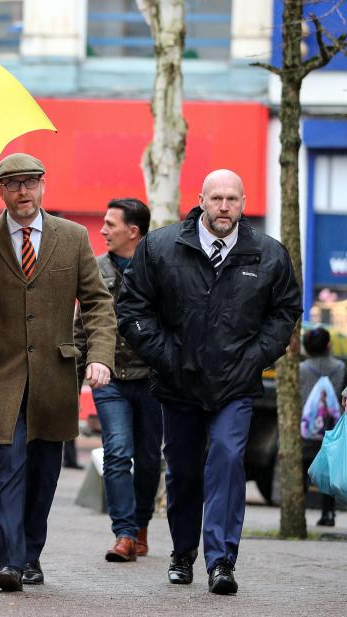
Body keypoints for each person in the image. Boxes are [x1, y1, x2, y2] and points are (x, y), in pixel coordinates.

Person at [117, 169, 301, 595]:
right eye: (216, 198)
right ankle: (183, 553)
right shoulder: (161, 248)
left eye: (232, 199)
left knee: (226, 460)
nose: (223, 207)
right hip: (177, 383)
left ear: (243, 202)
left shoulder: (269, 255)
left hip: (235, 385)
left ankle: (221, 561)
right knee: (182, 472)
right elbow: (132, 308)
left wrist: (254, 358)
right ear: (200, 199)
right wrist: (167, 357)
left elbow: (285, 312)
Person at [0, 153, 116, 592]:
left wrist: (100, 355)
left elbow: (97, 303)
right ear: (0, 190)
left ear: (44, 186)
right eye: (14, 184)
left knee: (43, 473)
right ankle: (11, 562)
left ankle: (31, 553)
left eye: (31, 182)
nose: (24, 191)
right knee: (7, 466)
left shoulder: (74, 237)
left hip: (54, 376)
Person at [74, 198, 163, 562]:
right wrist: (76, 371)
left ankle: (141, 525)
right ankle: (123, 534)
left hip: (152, 379)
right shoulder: (94, 269)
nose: (103, 230)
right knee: (117, 451)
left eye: (110, 224)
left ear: (133, 231)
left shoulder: (161, 269)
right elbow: (82, 326)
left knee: (147, 459)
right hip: (108, 375)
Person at [300, 326, 344, 527]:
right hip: (331, 430)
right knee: (329, 469)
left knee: (302, 470)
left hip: (307, 431)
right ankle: (328, 513)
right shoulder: (340, 368)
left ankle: (298, 512)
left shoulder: (301, 369)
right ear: (328, 345)